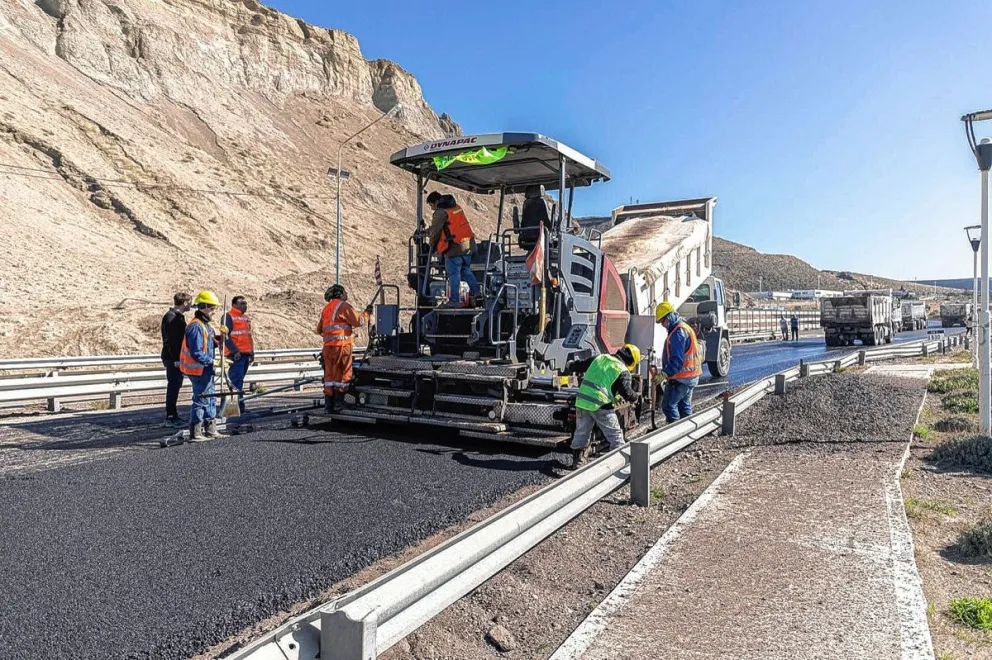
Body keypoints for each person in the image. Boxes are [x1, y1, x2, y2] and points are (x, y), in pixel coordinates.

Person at [569, 344, 641, 469]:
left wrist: (570, 364)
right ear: (632, 362)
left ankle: (578, 461)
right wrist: (636, 397)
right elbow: (626, 392)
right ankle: (619, 464)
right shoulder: (622, 369)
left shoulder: (600, 358)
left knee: (582, 432)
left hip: (582, 401)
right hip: (600, 404)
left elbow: (579, 365)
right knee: (615, 436)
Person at [318, 284, 372, 412]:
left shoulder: (326, 309)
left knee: (329, 377)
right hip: (341, 348)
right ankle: (339, 403)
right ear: (341, 293)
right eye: (345, 291)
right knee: (343, 375)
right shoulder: (343, 307)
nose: (346, 294)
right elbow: (359, 321)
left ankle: (328, 405)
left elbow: (319, 330)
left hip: (327, 348)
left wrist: (337, 336)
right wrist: (367, 313)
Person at [179, 290, 224, 440]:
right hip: (199, 370)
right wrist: (213, 361)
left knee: (210, 398)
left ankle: (211, 429)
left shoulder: (205, 326)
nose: (214, 312)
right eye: (212, 308)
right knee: (201, 399)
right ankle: (196, 431)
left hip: (206, 369)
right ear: (203, 306)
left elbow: (211, 343)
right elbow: (197, 352)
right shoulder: (196, 327)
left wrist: (222, 336)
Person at [426, 191, 479, 307]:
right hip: (468, 245)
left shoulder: (440, 213)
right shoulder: (456, 207)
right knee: (466, 271)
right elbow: (452, 225)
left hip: (454, 248)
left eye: (431, 205)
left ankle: (454, 301)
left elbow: (435, 231)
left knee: (454, 274)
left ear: (436, 202)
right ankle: (477, 293)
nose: (431, 208)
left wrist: (431, 244)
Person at [655, 301, 703, 423]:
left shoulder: (678, 333)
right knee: (684, 406)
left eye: (663, 321)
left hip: (682, 378)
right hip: (691, 377)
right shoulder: (683, 328)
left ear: (670, 316)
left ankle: (675, 434)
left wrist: (664, 373)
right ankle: (687, 432)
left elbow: (677, 360)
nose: (663, 325)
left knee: (669, 406)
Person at [160, 292, 191, 427]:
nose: (191, 305)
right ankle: (171, 416)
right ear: (184, 303)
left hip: (175, 357)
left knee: (176, 385)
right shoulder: (172, 317)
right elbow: (171, 341)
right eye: (190, 302)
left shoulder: (177, 317)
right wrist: (176, 359)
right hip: (173, 358)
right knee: (173, 386)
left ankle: (173, 415)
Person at [223, 295, 254, 415]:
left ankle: (239, 406)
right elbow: (225, 336)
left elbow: (248, 337)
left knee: (239, 381)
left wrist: (252, 353)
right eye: (242, 303)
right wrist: (234, 351)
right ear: (234, 304)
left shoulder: (245, 318)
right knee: (236, 382)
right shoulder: (228, 316)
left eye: (245, 303)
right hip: (236, 355)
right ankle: (236, 407)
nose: (244, 305)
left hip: (245, 354)